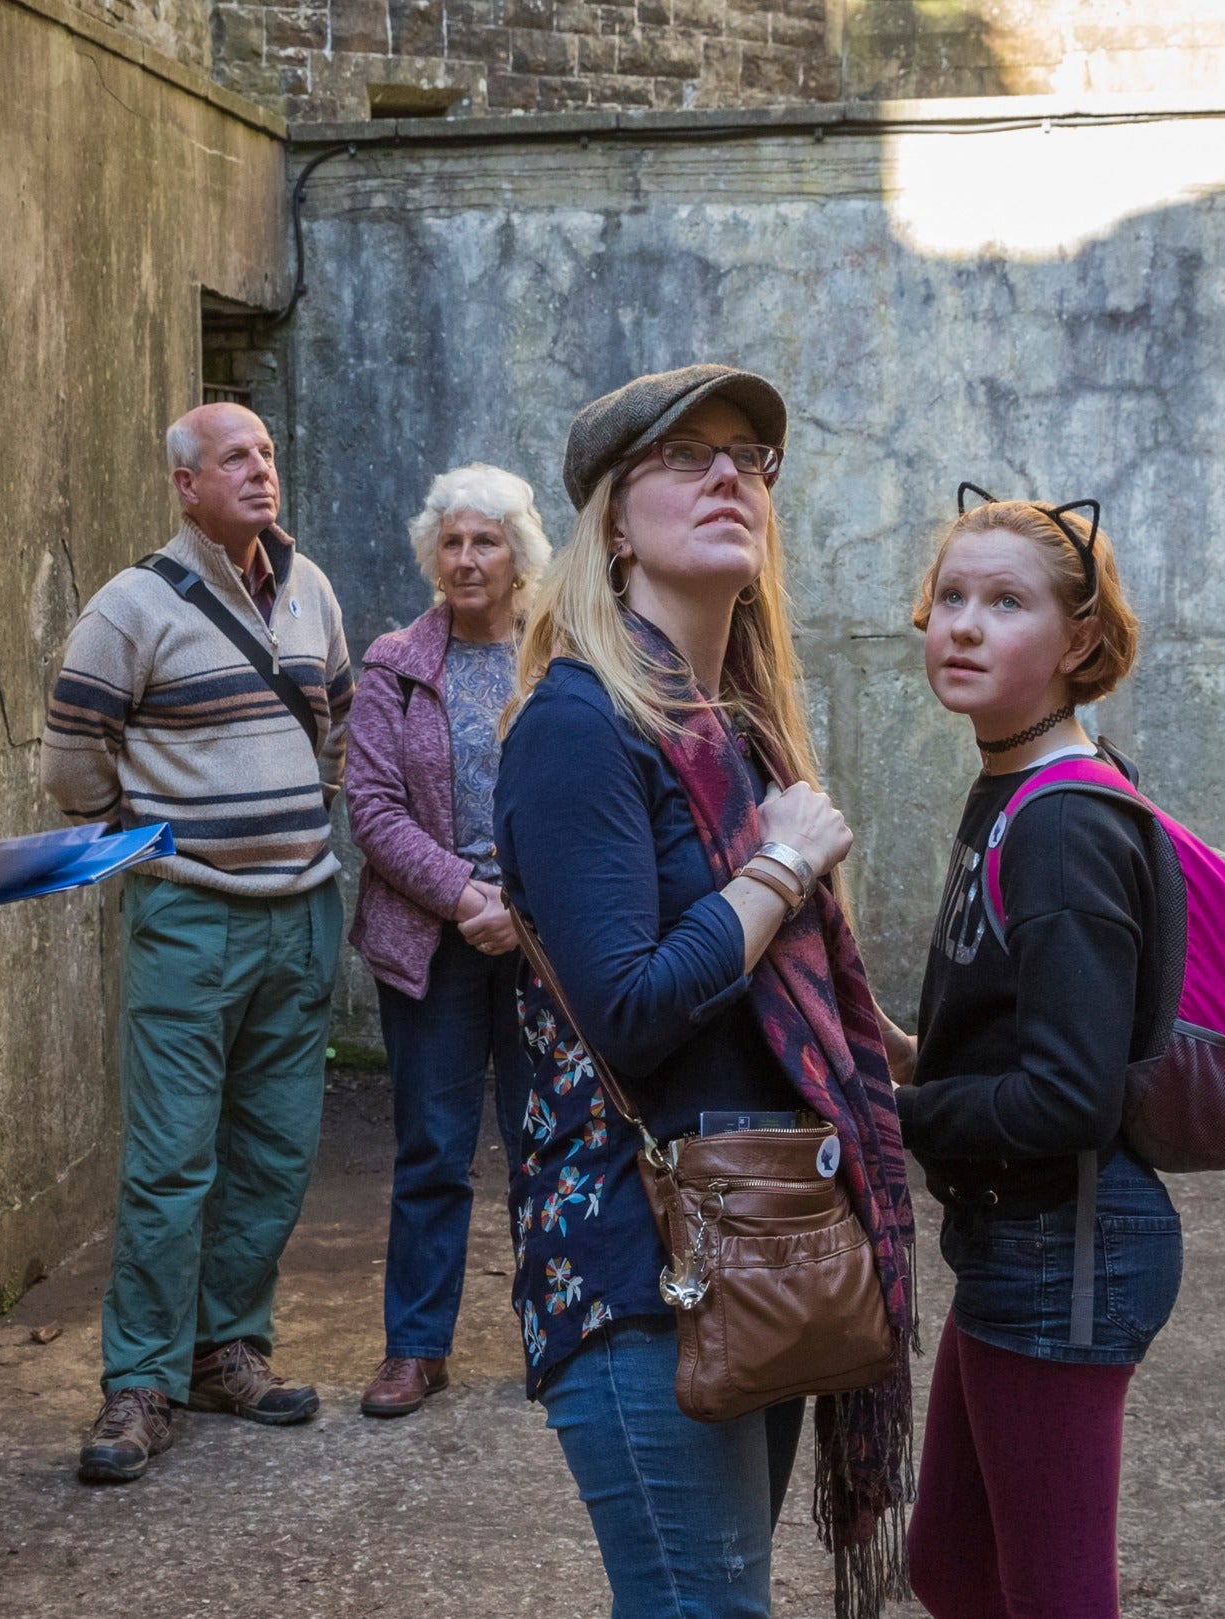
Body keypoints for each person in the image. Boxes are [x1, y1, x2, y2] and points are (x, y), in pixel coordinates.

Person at [496, 366, 916, 1618]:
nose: (731, 473)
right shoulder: (577, 723)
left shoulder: (733, 730)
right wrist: (781, 868)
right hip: (644, 1261)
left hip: (761, 1233)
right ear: (613, 523)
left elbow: (790, 1016)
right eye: (687, 456)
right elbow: (626, 1004)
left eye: (750, 456)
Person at [45, 402, 354, 1484]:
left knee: (273, 1150)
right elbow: (75, 757)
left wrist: (289, 829)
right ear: (185, 483)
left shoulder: (310, 587)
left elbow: (339, 728)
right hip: (190, 912)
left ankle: (231, 1346)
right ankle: (139, 1378)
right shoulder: (130, 607)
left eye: (267, 452)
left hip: (302, 909)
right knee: (173, 1158)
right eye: (235, 458)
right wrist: (161, 832)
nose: (260, 471)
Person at [898, 495, 1172, 1619]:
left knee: (1053, 1598)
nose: (963, 624)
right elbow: (1023, 1032)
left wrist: (889, 1111)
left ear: (1080, 643)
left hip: (1067, 1250)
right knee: (953, 1566)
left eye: (1006, 602)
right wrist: (900, 1052)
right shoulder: (1013, 786)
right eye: (951, 597)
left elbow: (1067, 1096)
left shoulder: (1062, 822)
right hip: (1022, 1237)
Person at [346, 464, 550, 1419]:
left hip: (543, 938)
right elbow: (374, 810)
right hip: (433, 938)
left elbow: (585, 801)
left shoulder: (563, 659)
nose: (469, 559)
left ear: (520, 555)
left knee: (544, 1141)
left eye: (488, 541)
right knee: (433, 1146)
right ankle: (415, 1348)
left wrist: (524, 903)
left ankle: (560, 1331)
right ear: (436, 552)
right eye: (455, 541)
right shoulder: (395, 661)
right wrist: (467, 894)